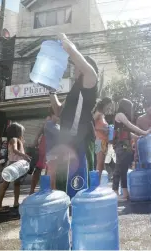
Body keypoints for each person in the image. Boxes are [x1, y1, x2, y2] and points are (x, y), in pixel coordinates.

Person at [49, 33, 99, 198]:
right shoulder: (74, 90)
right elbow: (58, 110)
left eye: (78, 65)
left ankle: (83, 215)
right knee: (66, 184)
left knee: (81, 183)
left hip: (81, 139)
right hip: (67, 141)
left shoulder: (91, 79)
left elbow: (78, 58)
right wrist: (51, 91)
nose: (75, 67)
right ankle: (68, 210)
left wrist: (66, 42)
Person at [113, 98, 151, 201]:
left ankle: (125, 193)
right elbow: (129, 126)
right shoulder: (120, 114)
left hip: (126, 145)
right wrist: (144, 132)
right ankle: (115, 193)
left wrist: (137, 137)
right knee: (118, 168)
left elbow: (128, 132)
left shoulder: (123, 117)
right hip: (121, 145)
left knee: (124, 170)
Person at [0, 122, 31, 213]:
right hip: (13, 165)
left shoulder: (17, 140)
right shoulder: (14, 139)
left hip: (17, 165)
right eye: (22, 131)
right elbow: (15, 150)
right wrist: (25, 155)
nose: (23, 132)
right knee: (6, 185)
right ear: (17, 131)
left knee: (16, 184)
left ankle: (16, 202)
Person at [30, 110, 60, 194]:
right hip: (44, 146)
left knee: (47, 169)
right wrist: (36, 140)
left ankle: (46, 189)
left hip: (49, 147)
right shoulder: (49, 120)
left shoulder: (56, 124)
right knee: (40, 169)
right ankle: (34, 190)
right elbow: (41, 130)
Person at [93, 97, 113, 180]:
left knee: (102, 163)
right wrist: (102, 129)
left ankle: (100, 180)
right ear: (105, 104)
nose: (110, 107)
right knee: (99, 162)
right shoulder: (98, 113)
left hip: (104, 141)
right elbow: (91, 125)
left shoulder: (103, 115)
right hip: (99, 140)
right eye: (109, 105)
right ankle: (97, 181)